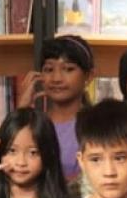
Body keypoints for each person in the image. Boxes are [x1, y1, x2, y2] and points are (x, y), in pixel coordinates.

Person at [24, 34, 95, 183]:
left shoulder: (97, 126)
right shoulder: (34, 124)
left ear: (88, 76)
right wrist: (22, 110)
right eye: (49, 70)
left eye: (68, 69)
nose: (56, 78)